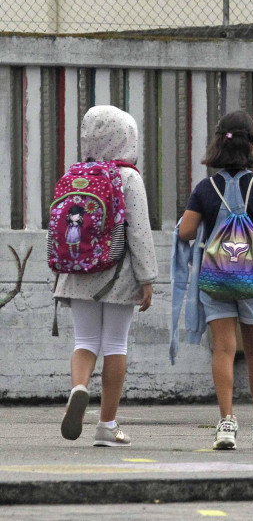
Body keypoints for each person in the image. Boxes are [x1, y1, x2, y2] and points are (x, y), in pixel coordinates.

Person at [178, 110, 253, 449]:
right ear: (252, 145)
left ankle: (226, 423)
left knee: (222, 349)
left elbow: (186, 231)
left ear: (217, 144)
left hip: (216, 279)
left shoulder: (205, 188)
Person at [56, 106, 157, 447]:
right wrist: (147, 278)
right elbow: (139, 232)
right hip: (118, 274)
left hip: (77, 271)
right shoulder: (129, 177)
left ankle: (78, 388)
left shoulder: (76, 175)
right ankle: (107, 424)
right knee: (115, 344)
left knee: (84, 341)